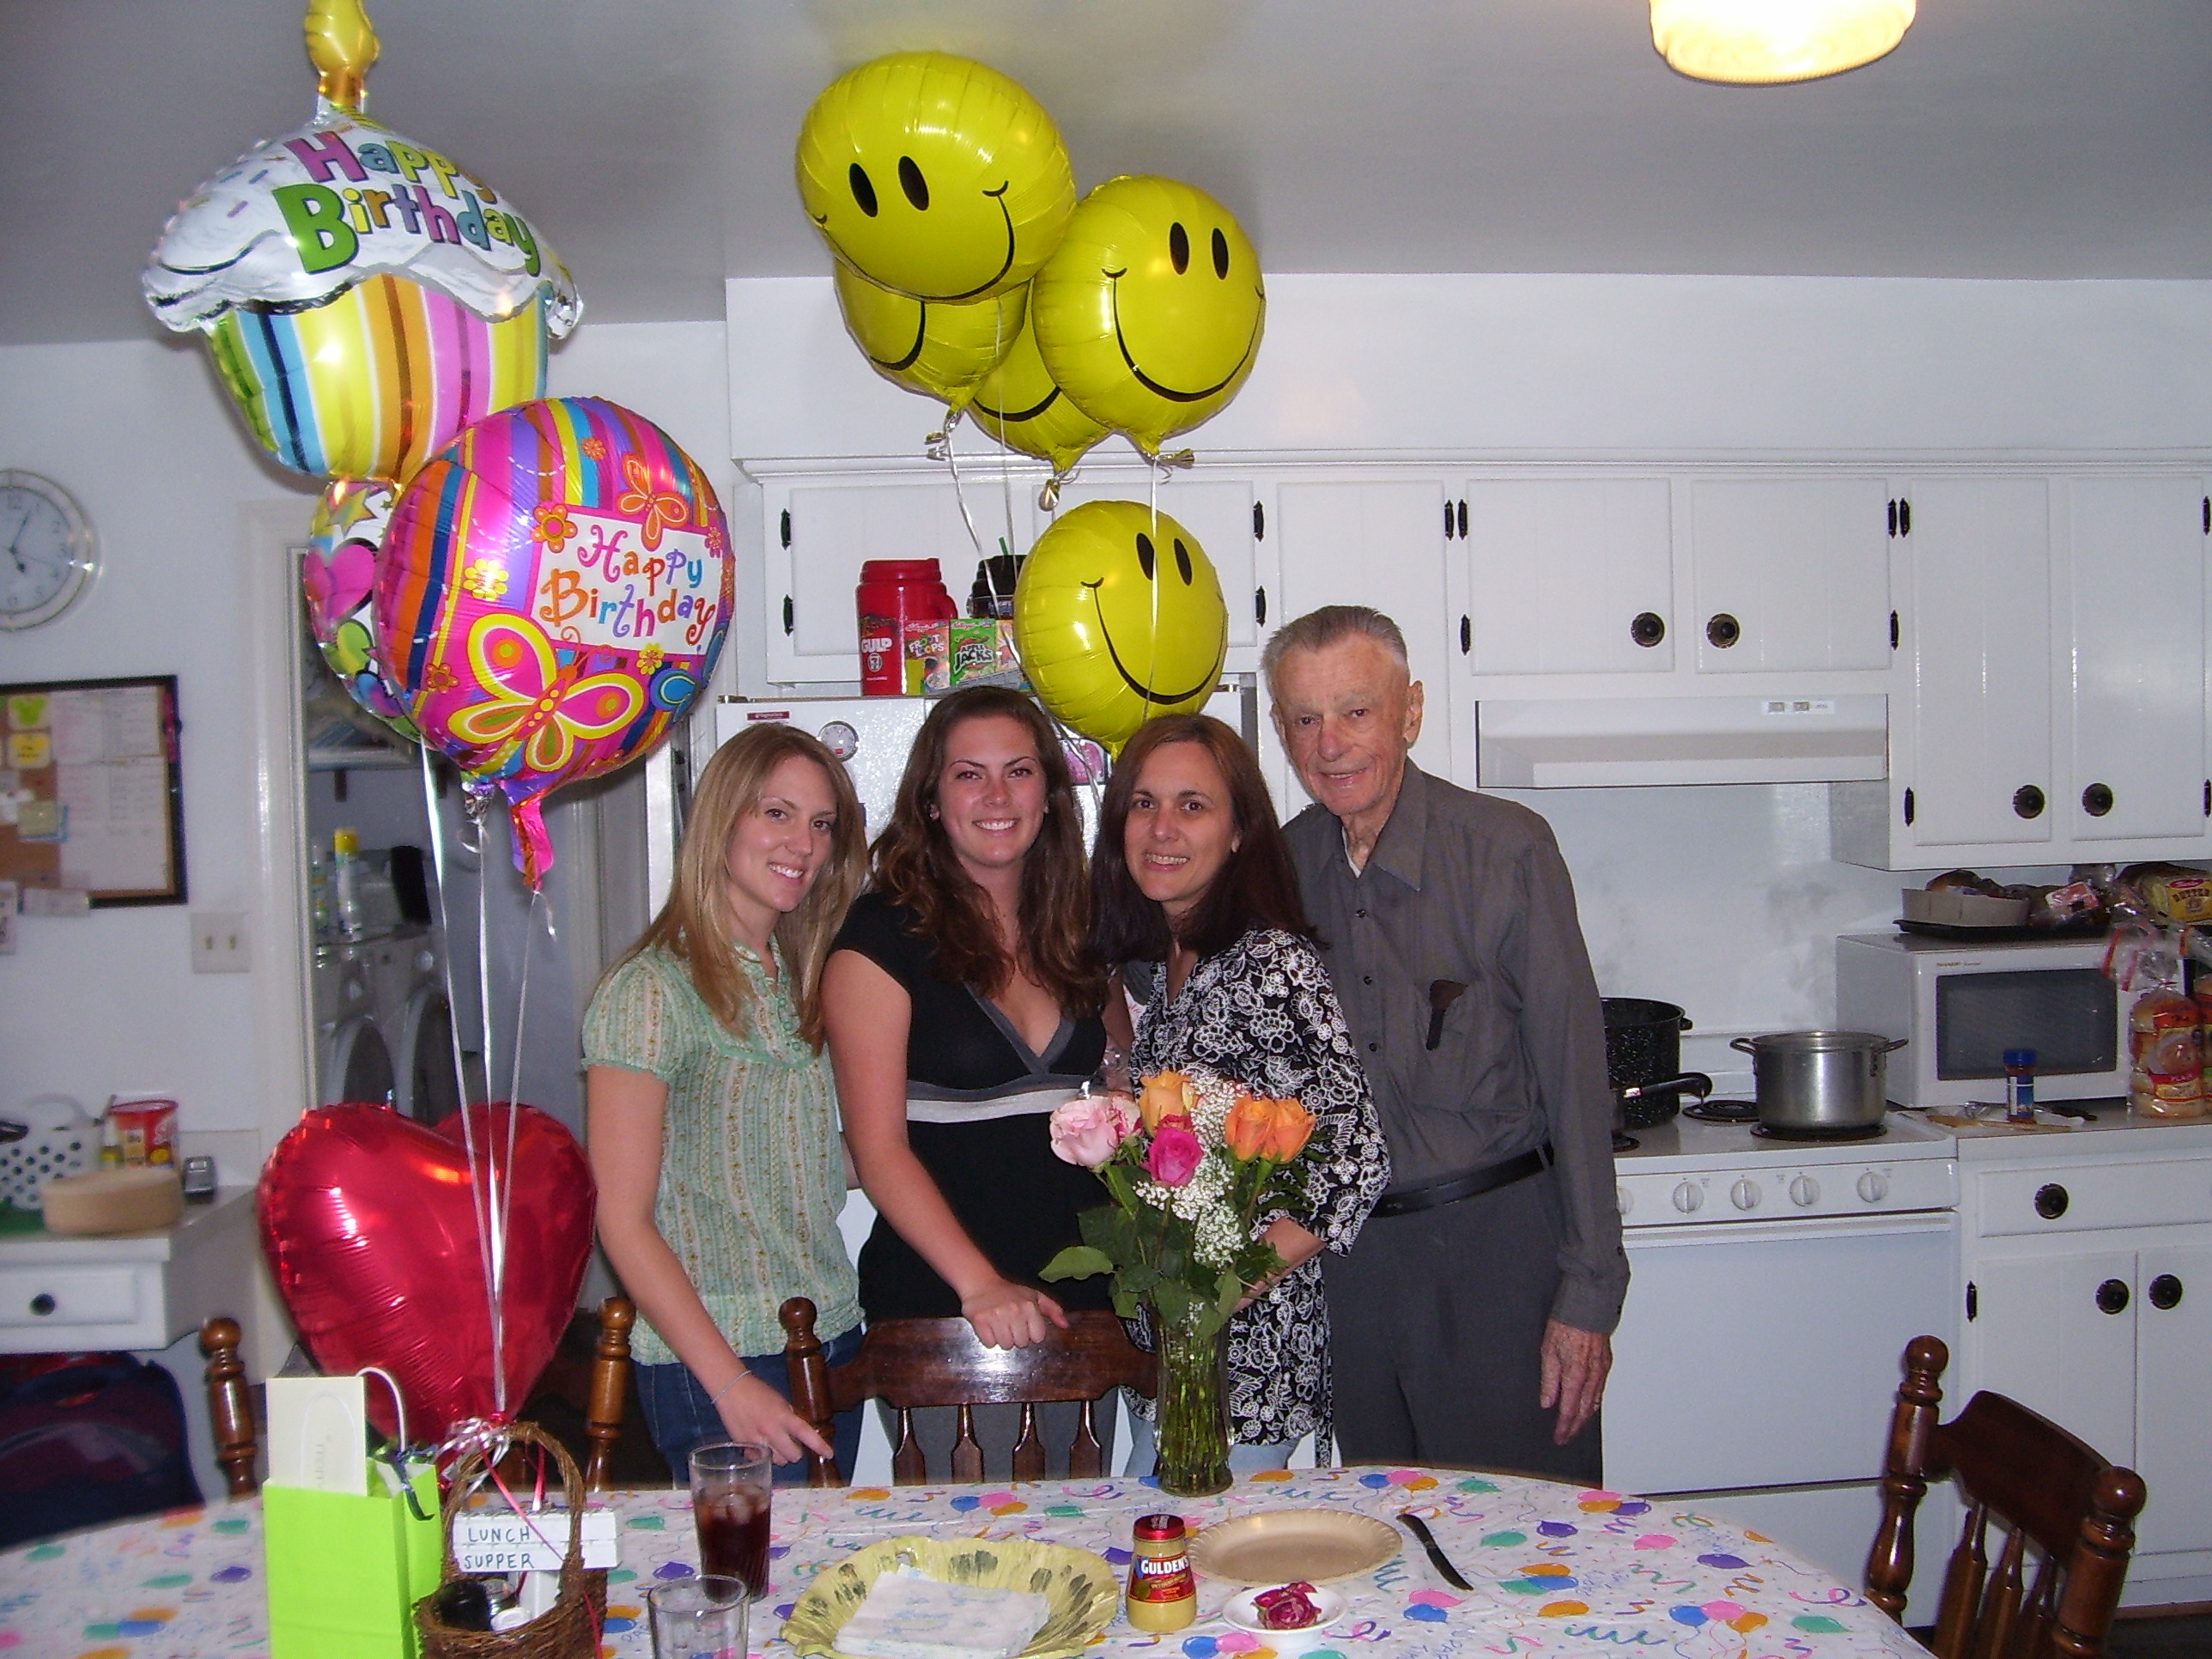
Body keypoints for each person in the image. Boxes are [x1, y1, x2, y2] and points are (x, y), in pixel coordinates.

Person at [1266, 604, 1626, 1482]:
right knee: (1387, 1547)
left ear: (1410, 713)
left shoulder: (1504, 852)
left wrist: (1588, 1295)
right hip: (1349, 1271)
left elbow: (1577, 1082)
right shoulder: (1280, 870)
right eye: (1304, 720)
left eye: (1355, 712)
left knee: (1528, 1544)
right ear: (1279, 732)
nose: (1330, 744)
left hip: (1497, 1258)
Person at [1093, 714, 1389, 1470]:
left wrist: (1227, 1286)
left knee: (1199, 1564)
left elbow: (1359, 1156)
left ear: (1237, 834)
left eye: (1193, 805)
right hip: (1180, 1361)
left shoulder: (1268, 963)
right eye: (1143, 803)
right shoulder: (1166, 970)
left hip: (1248, 1367)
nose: (1162, 828)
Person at [582, 722, 869, 1482]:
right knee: (754, 1590)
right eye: (776, 814)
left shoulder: (794, 976)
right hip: (721, 1357)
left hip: (830, 1331)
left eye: (821, 824)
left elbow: (797, 1159)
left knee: (820, 1590)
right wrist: (730, 1383)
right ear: (721, 821)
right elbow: (622, 1217)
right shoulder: (650, 990)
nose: (803, 845)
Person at [823, 686, 1115, 1376]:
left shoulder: (1077, 931)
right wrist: (978, 1283)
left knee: (1091, 1492)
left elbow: (1120, 1086)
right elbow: (878, 1149)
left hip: (1090, 1311)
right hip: (948, 1315)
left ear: (1048, 796)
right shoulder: (879, 938)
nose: (997, 795)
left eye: (1019, 771)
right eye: (968, 775)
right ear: (931, 800)